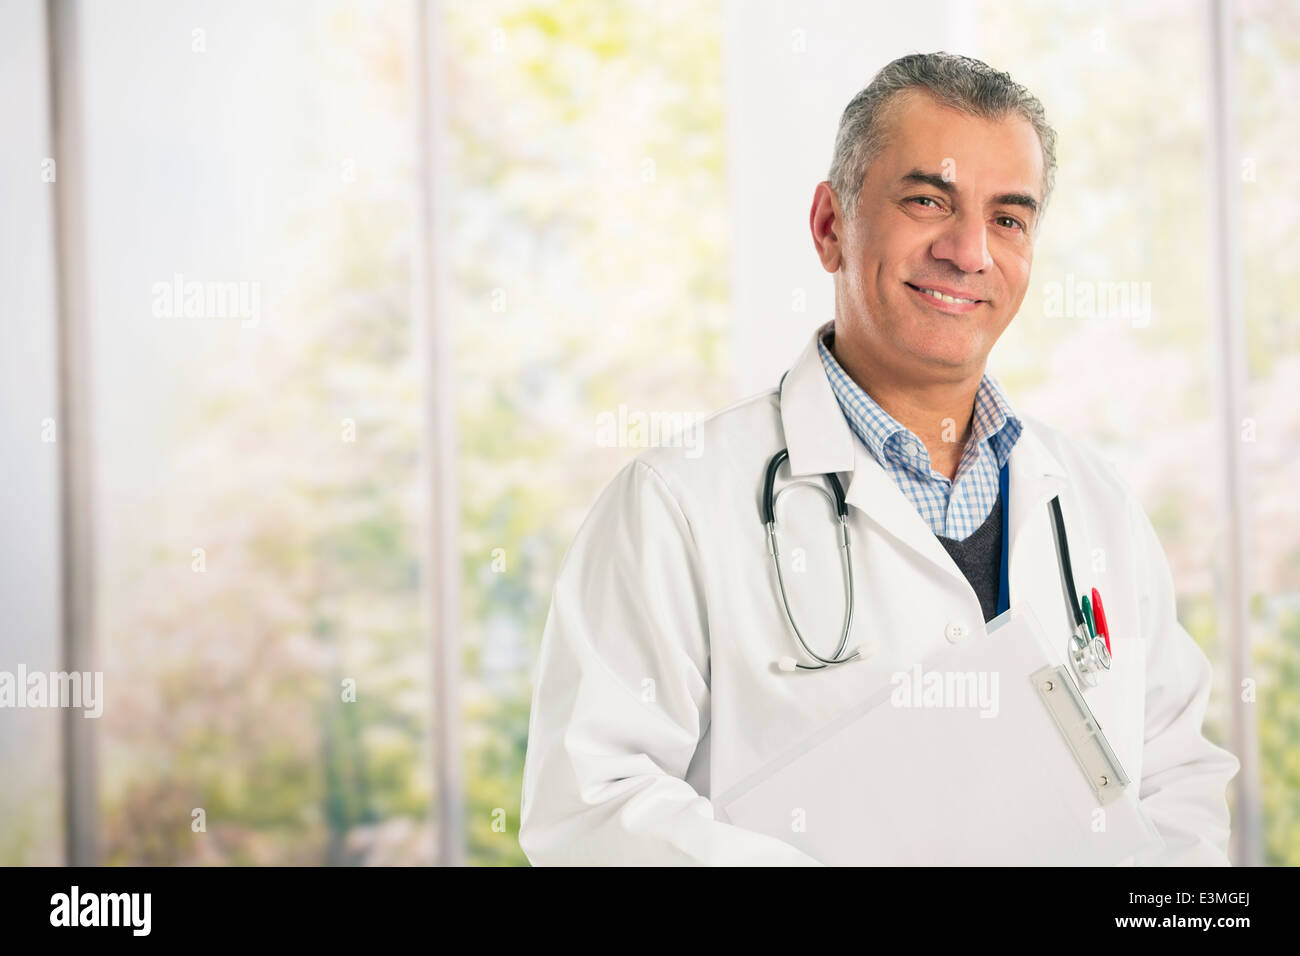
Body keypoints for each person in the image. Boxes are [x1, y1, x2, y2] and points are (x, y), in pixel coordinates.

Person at [518, 52, 1239, 866]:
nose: (969, 252)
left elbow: (1178, 783)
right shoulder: (674, 505)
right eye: (929, 201)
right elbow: (590, 811)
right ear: (831, 225)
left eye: (1008, 218)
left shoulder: (1094, 504)